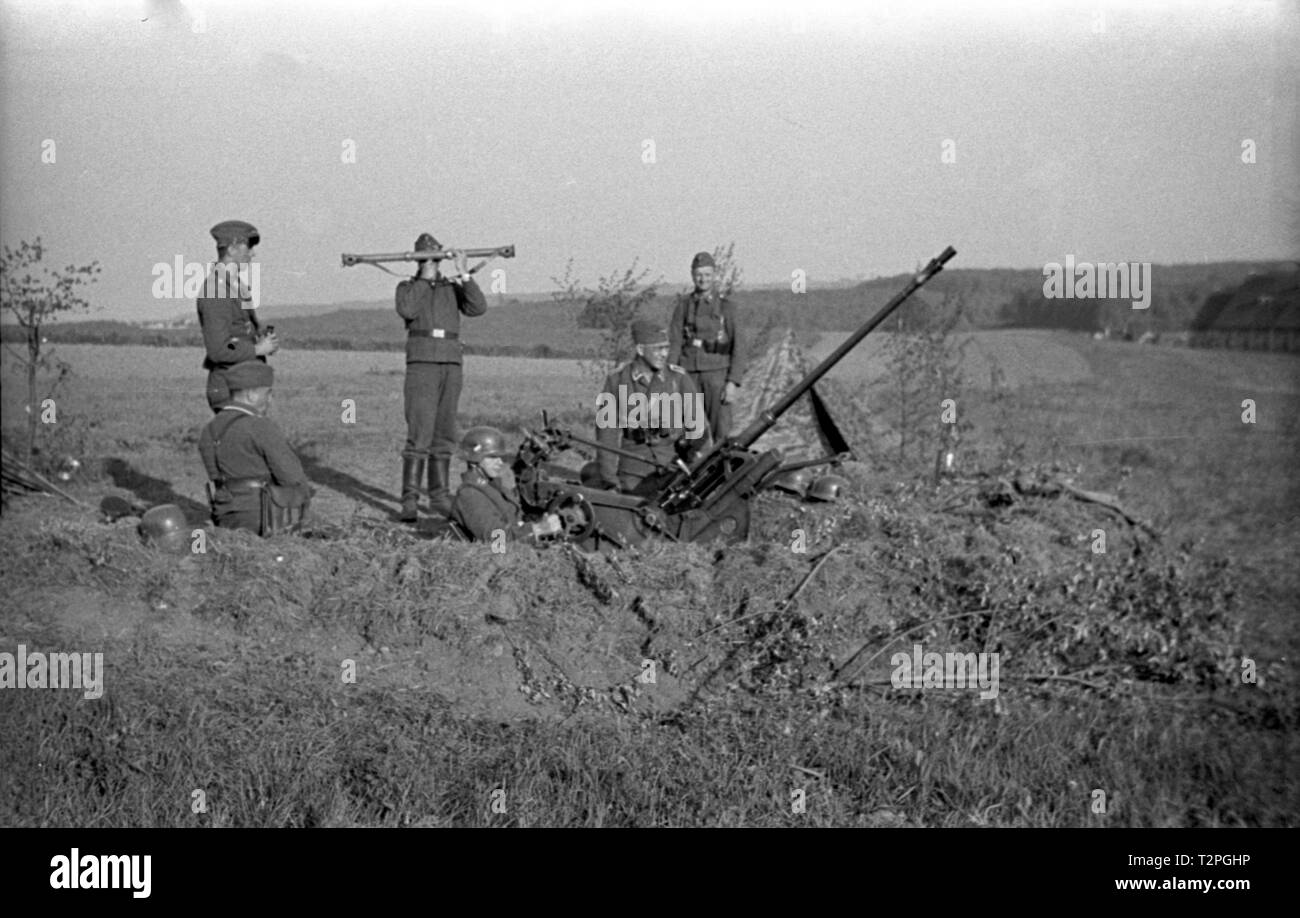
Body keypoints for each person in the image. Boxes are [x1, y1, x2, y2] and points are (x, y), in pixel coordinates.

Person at [395, 232, 488, 522]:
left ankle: (439, 495)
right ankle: (409, 499)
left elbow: (477, 307)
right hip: (422, 363)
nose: (434, 262)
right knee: (419, 433)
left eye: (436, 257)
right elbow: (408, 309)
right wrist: (425, 276)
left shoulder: (452, 287)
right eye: (428, 257)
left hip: (450, 362)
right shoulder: (408, 288)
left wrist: (463, 273)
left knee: (444, 432)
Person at [595, 318, 709, 494]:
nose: (664, 354)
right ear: (640, 350)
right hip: (633, 470)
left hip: (672, 467)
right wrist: (609, 481)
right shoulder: (618, 381)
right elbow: (606, 435)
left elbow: (699, 427)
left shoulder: (677, 378)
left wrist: (700, 467)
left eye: (666, 348)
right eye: (658, 349)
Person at [197, 360, 312, 535]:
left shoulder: (209, 430)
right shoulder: (259, 426)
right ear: (251, 395)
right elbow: (292, 478)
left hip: (223, 515)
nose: (270, 399)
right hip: (264, 517)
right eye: (268, 393)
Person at [197, 220, 278, 413]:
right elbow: (219, 349)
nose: (253, 253)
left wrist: (261, 339)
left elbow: (240, 332)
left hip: (244, 388)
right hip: (231, 391)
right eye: (249, 247)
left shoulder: (236, 287)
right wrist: (257, 349)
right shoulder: (215, 291)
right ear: (232, 249)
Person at [668, 251, 744, 441]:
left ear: (714, 275)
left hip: (717, 375)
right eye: (699, 275)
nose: (703, 279)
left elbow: (739, 347)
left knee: (721, 430)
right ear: (693, 275)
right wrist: (670, 376)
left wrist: (733, 382)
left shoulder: (727, 308)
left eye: (707, 275)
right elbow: (675, 342)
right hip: (689, 374)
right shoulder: (684, 306)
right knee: (690, 429)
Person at [451, 426, 561, 542]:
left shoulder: (493, 487)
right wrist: (537, 529)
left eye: (499, 456)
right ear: (474, 460)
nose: (500, 462)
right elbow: (496, 541)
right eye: (492, 457)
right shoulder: (469, 495)